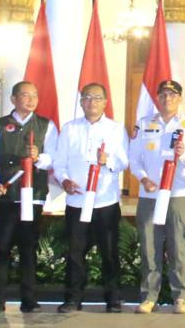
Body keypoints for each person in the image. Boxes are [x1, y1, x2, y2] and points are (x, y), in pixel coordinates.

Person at [129, 79, 185, 314]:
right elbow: (134, 158)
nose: (167, 99)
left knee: (177, 246)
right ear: (157, 98)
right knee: (149, 246)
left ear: (180, 98)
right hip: (150, 194)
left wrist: (184, 155)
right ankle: (149, 297)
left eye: (172, 95)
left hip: (178, 194)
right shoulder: (144, 124)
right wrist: (143, 178)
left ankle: (181, 297)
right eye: (163, 94)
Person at [53, 82, 130, 314]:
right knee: (75, 253)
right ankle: (73, 298)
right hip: (77, 201)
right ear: (81, 102)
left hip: (105, 201)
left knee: (109, 252)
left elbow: (124, 161)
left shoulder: (116, 129)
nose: (92, 102)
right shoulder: (69, 129)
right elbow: (59, 163)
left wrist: (108, 161)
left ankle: (113, 299)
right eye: (87, 97)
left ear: (105, 102)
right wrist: (65, 181)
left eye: (97, 98)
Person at [0, 80, 58, 314]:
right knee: (2, 247)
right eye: (25, 95)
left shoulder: (46, 125)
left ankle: (29, 300)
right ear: (13, 99)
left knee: (28, 247)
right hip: (6, 195)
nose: (31, 99)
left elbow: (53, 159)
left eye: (34, 95)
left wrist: (39, 158)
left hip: (32, 196)